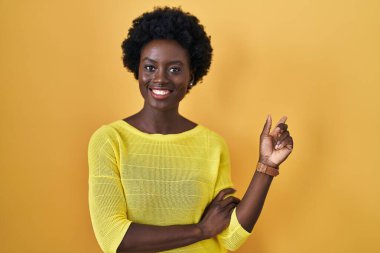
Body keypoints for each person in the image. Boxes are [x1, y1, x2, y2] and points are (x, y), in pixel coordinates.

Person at [88, 7, 293, 253]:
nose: (160, 78)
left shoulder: (212, 145)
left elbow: (229, 238)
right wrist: (201, 230)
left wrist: (266, 166)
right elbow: (114, 239)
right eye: (150, 67)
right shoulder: (110, 140)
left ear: (191, 76)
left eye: (174, 69)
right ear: (137, 70)